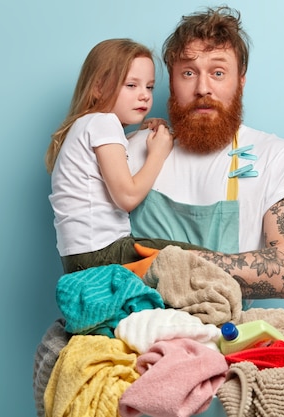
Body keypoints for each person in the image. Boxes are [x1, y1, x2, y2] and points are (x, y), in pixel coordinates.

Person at [127, 6, 284, 300]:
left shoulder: (279, 158)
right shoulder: (127, 150)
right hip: (130, 335)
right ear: (172, 81)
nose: (203, 88)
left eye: (218, 72)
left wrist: (170, 265)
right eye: (188, 73)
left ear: (241, 80)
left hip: (226, 340)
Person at [45, 38, 203, 274]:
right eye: (131, 85)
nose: (144, 96)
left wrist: (136, 134)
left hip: (78, 259)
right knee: (202, 259)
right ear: (98, 87)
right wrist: (157, 154)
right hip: (103, 253)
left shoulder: (86, 125)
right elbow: (127, 197)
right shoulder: (103, 122)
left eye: (149, 87)